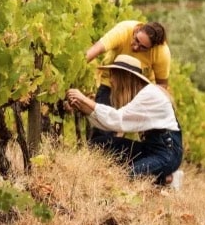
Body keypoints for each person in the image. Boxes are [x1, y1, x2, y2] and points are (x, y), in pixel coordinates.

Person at [67, 54, 182, 185]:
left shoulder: (149, 94)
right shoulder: (141, 94)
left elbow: (118, 120)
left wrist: (84, 100)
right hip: (150, 148)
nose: (111, 81)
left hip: (167, 154)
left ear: (125, 77)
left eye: (114, 76)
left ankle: (167, 179)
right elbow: (110, 124)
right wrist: (82, 107)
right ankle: (162, 175)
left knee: (128, 177)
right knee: (99, 144)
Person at [85, 20, 170, 143]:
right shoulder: (123, 30)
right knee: (103, 128)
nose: (136, 47)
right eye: (136, 40)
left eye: (143, 47)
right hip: (112, 82)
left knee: (149, 134)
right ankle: (100, 157)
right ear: (136, 30)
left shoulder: (161, 52)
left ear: (153, 47)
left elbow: (162, 85)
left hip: (139, 89)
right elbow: (95, 50)